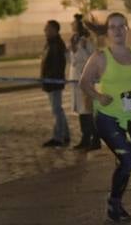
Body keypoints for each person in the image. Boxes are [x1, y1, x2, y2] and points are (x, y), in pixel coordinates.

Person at [79, 12, 131, 221]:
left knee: (124, 163)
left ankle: (116, 203)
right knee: (129, 161)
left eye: (122, 26)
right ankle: (114, 202)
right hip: (108, 118)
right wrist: (98, 96)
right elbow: (84, 82)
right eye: (113, 27)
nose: (118, 30)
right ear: (108, 31)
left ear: (127, 29)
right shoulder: (101, 57)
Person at [69, 15, 100, 151]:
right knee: (81, 111)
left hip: (85, 79)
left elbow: (92, 58)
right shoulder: (73, 40)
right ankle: (85, 137)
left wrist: (82, 48)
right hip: (75, 78)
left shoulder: (87, 41)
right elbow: (72, 59)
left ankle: (95, 139)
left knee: (87, 110)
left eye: (74, 23)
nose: (71, 24)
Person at [41, 19, 71, 147]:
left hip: (54, 81)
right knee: (58, 109)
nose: (45, 31)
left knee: (57, 110)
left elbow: (57, 65)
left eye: (47, 28)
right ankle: (65, 134)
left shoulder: (56, 44)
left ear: (54, 30)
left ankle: (58, 137)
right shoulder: (50, 43)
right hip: (50, 81)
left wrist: (50, 79)